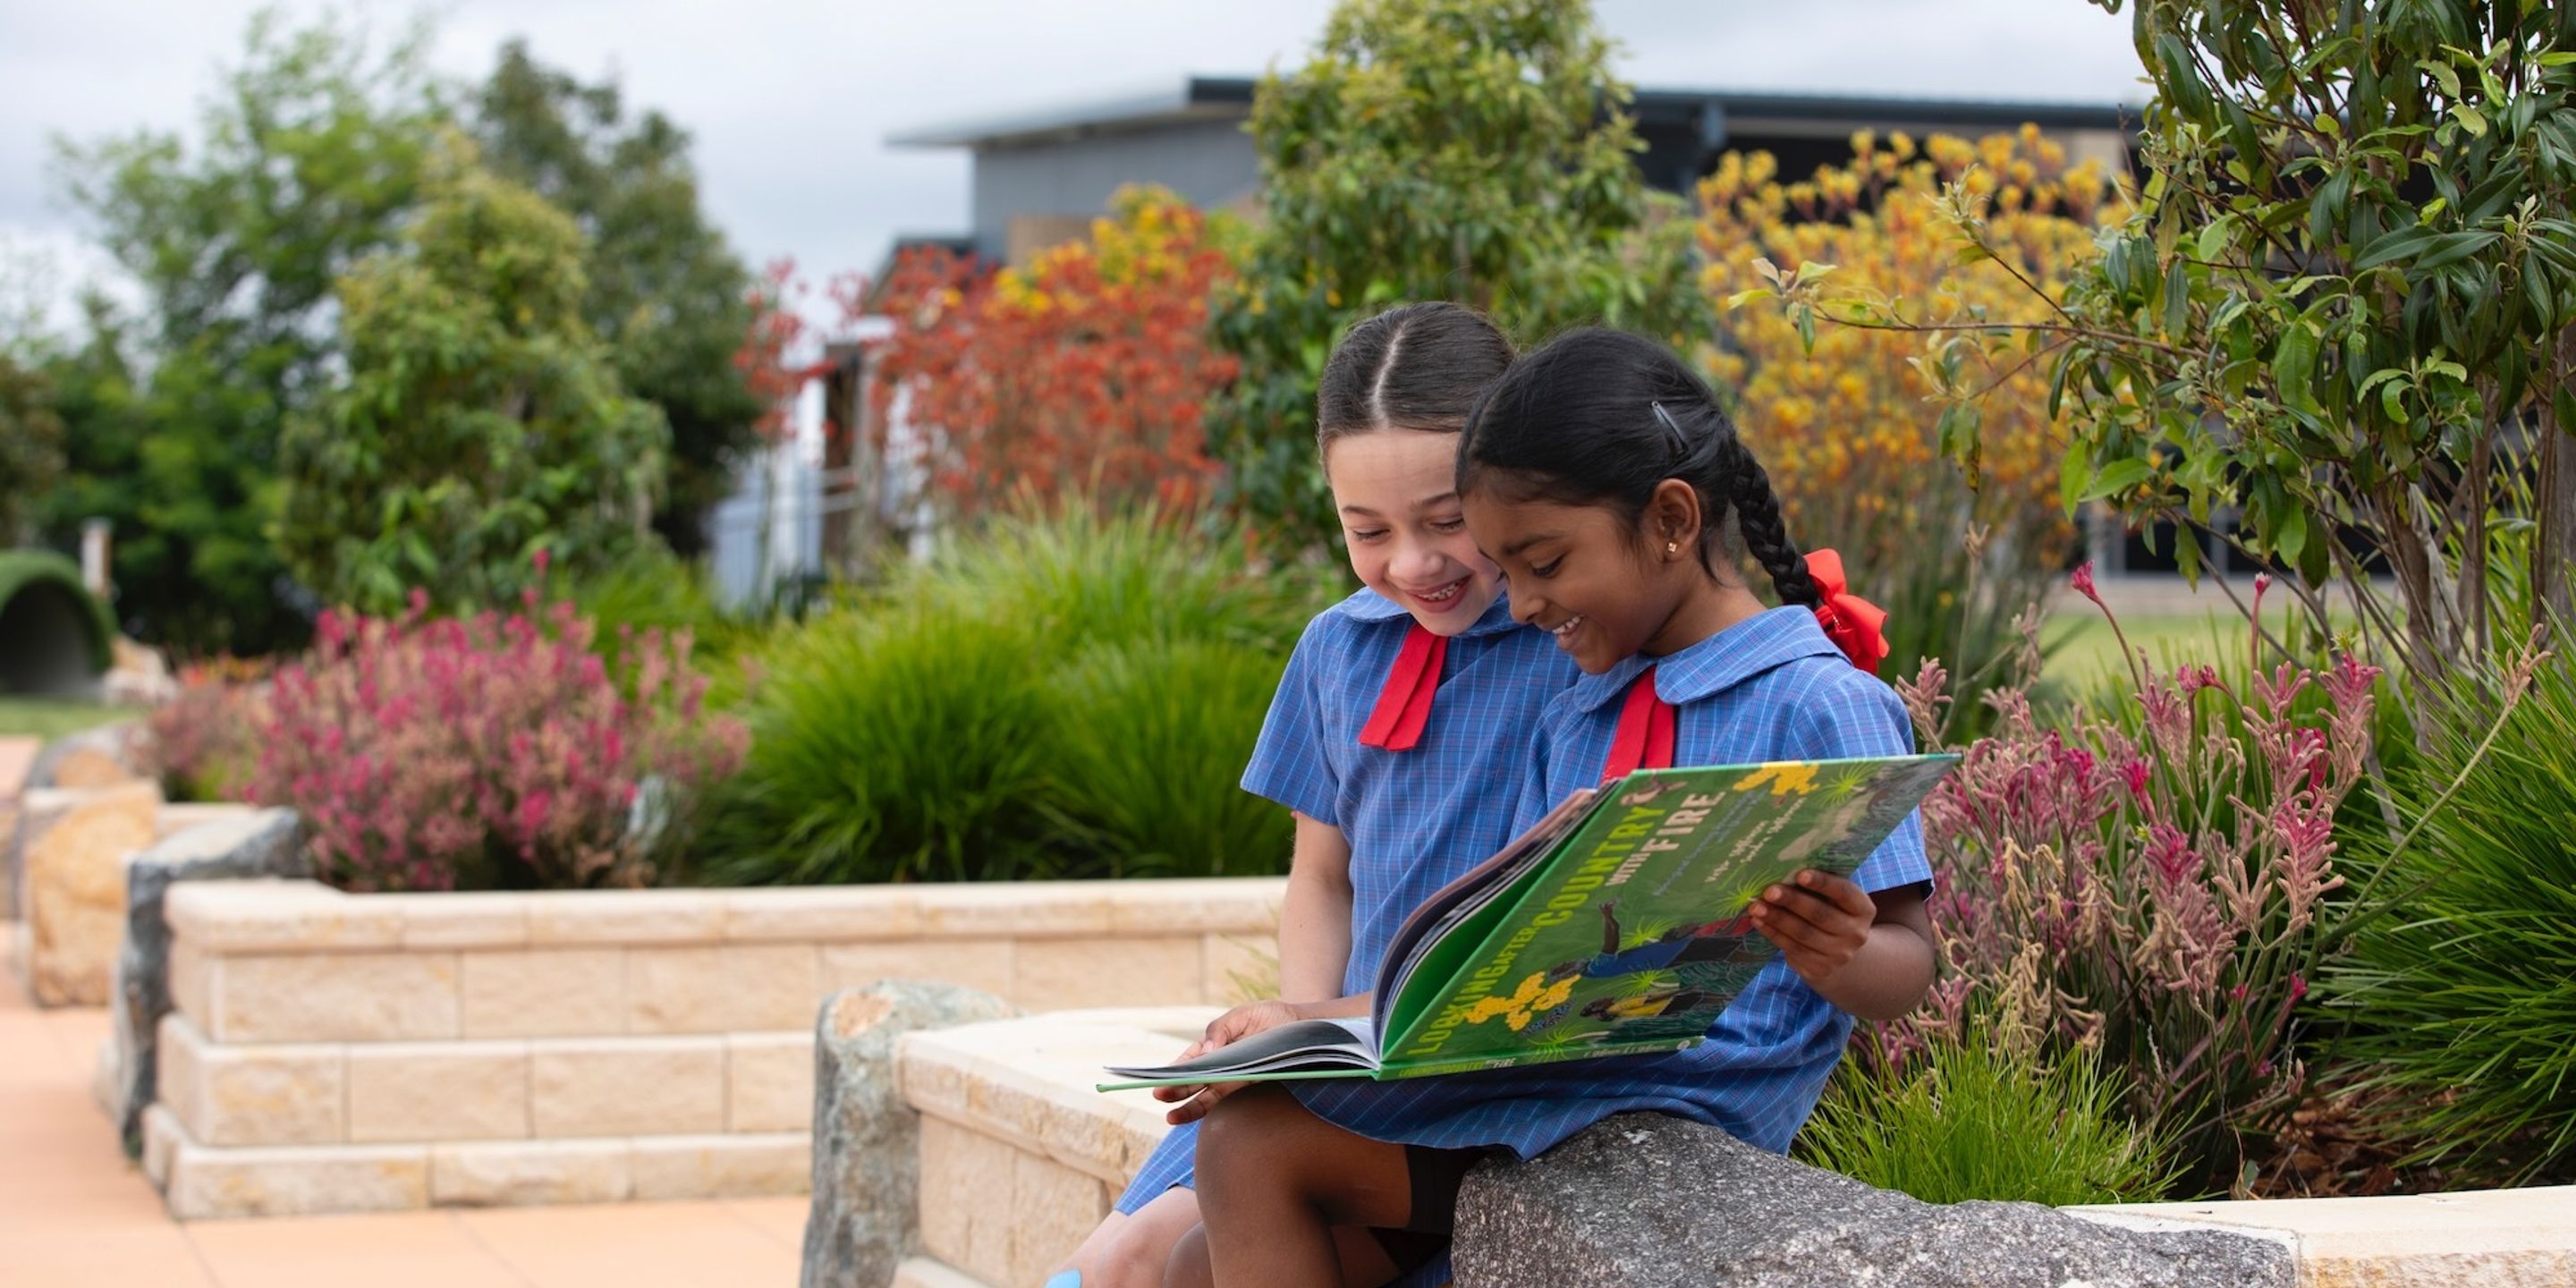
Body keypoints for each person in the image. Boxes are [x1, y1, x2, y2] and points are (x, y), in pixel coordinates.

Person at [1181, 326, 1937, 1286]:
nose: (1525, 604)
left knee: (1252, 1149)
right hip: (1550, 1082)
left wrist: (1842, 952)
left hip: (1675, 1111)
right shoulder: (1583, 699)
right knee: (1190, 1257)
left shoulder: (1818, 702)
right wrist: (1301, 1024)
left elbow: (1908, 968)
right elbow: (1512, 964)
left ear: (1670, 520)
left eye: (1543, 564)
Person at [1047, 302, 1580, 1288]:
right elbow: (1323, 876)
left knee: (1184, 1259)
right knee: (1108, 1265)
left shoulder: (1574, 647)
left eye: (1448, 522)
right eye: (1367, 531)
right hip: (1345, 1060)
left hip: (1470, 1067)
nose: (1412, 565)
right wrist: (1301, 1025)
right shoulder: (1339, 648)